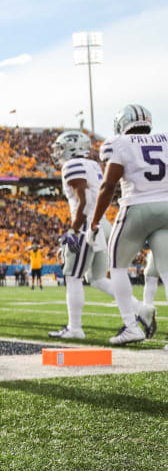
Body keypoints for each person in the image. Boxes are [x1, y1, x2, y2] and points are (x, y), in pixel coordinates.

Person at [89, 104, 165, 347]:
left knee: (118, 267)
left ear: (123, 124)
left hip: (137, 207)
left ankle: (131, 327)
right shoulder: (165, 139)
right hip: (167, 206)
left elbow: (108, 185)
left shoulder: (121, 143)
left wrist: (94, 221)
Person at [46, 130, 115, 339]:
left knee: (73, 276)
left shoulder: (72, 165)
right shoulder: (93, 165)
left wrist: (73, 230)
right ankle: (139, 311)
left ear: (71, 147)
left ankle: (75, 328)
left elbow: (83, 200)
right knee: (97, 278)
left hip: (87, 224)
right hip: (101, 222)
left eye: (60, 148)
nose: (58, 153)